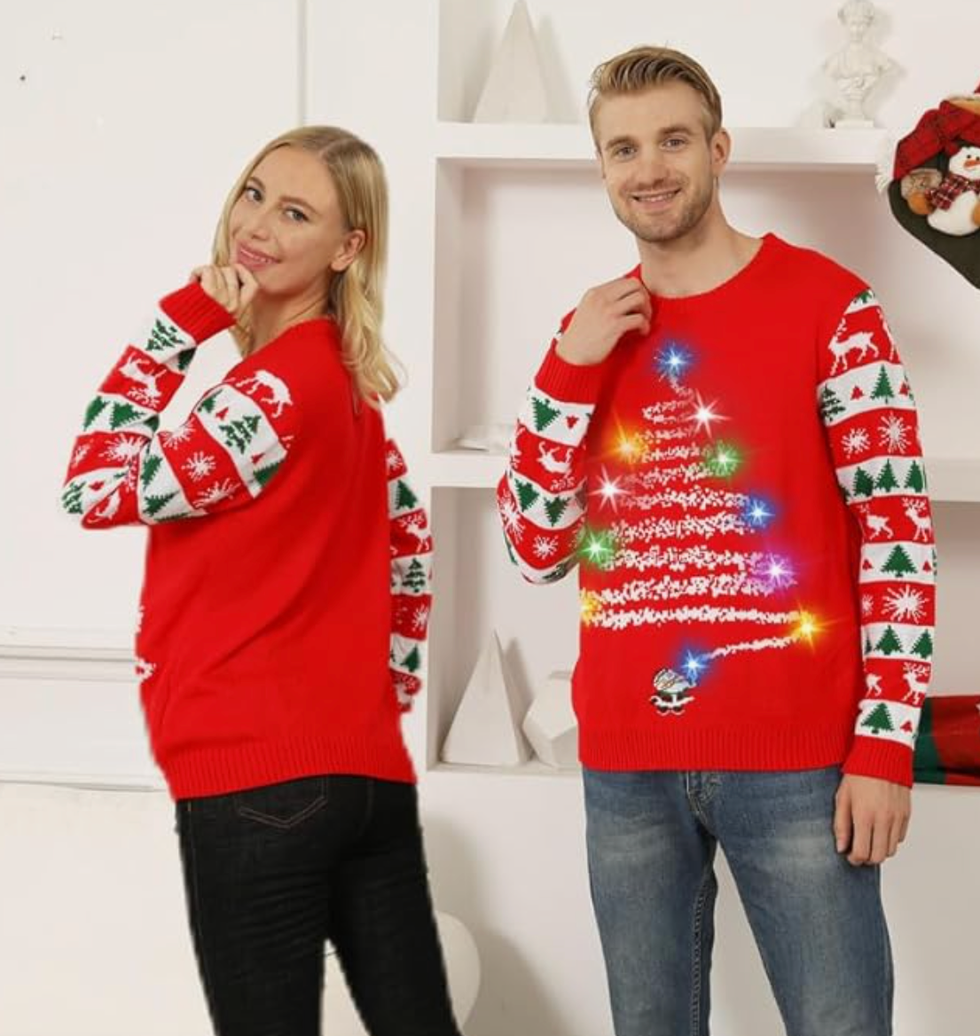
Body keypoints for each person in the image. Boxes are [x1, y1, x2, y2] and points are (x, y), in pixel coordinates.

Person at [497, 45, 935, 1036]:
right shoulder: (589, 332)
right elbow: (532, 549)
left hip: (799, 762)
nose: (648, 168)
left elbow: (897, 536)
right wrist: (566, 368)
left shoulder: (832, 307)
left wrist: (882, 745)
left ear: (718, 149)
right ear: (600, 167)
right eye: (622, 148)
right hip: (625, 764)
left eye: (672, 140)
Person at [60, 126, 461, 1036]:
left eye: (296, 214)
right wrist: (372, 706)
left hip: (255, 775)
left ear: (347, 249)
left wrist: (178, 325)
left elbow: (94, 483)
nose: (258, 227)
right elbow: (411, 551)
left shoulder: (272, 393)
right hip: (363, 777)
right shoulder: (350, 394)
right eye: (254, 194)